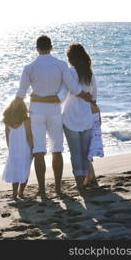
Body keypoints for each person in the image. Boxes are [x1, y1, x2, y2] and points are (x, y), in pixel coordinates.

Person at [15, 36, 92, 197]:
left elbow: (21, 94)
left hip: (36, 111)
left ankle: (42, 190)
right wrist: (86, 97)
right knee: (57, 150)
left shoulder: (29, 67)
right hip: (55, 111)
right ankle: (57, 188)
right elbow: (72, 88)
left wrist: (13, 112)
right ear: (51, 47)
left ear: (37, 48)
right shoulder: (61, 65)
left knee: (39, 151)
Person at [31, 43, 99, 194]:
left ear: (70, 58)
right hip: (87, 116)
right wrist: (91, 102)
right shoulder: (89, 73)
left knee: (75, 152)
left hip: (70, 117)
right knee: (84, 151)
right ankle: (89, 178)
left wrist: (42, 99)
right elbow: (94, 95)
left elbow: (64, 94)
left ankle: (80, 184)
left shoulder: (68, 72)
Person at [2, 99, 34, 200]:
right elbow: (29, 136)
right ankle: (21, 192)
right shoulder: (26, 120)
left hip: (13, 150)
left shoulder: (7, 121)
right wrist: (33, 149)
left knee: (15, 171)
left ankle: (14, 193)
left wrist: (10, 150)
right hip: (25, 149)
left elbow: (7, 138)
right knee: (25, 171)